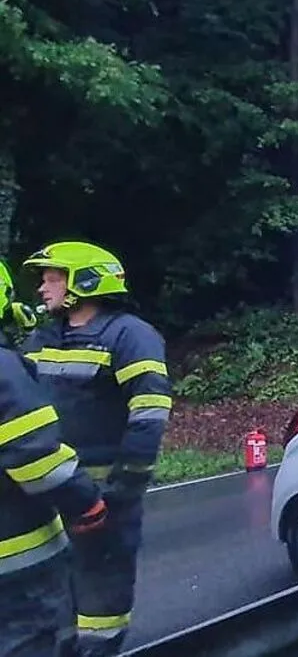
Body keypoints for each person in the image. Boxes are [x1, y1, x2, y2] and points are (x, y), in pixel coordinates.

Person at [22, 241, 172, 657]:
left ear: (83, 283)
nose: (41, 288)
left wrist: (122, 491)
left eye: (52, 277)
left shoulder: (131, 336)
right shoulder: (41, 337)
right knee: (54, 596)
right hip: (52, 496)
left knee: (100, 603)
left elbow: (149, 415)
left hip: (105, 498)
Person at [0, 260, 110, 657]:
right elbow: (37, 458)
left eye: (51, 279)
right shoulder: (3, 370)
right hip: (17, 568)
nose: (43, 289)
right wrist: (86, 500)